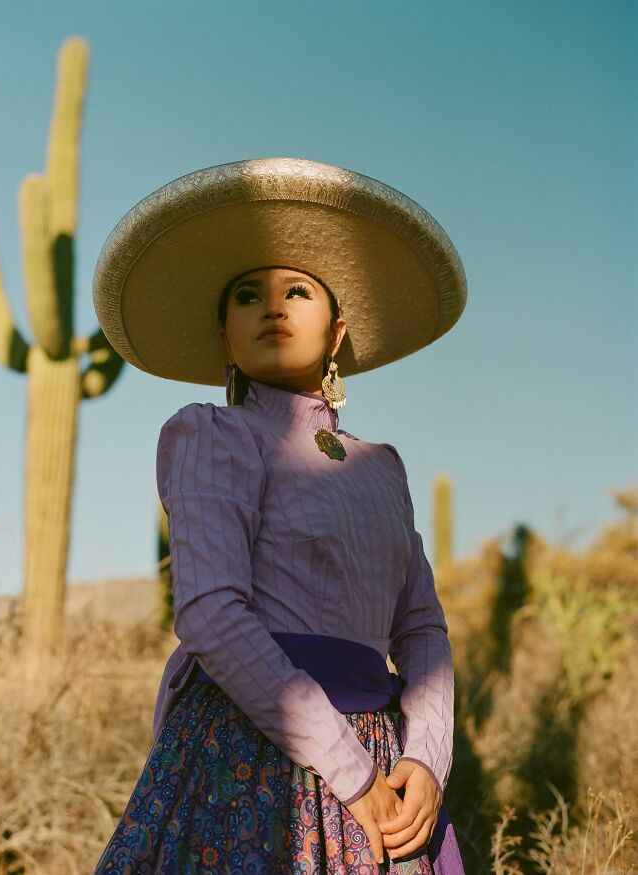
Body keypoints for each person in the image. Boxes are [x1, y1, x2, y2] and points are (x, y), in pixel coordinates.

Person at [90, 157, 468, 874]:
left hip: (382, 761)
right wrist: (349, 772)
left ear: (336, 332)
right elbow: (210, 615)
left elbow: (421, 629)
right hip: (253, 756)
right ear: (225, 338)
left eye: (298, 290)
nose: (272, 306)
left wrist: (425, 757)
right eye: (245, 296)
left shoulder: (381, 465)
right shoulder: (212, 434)